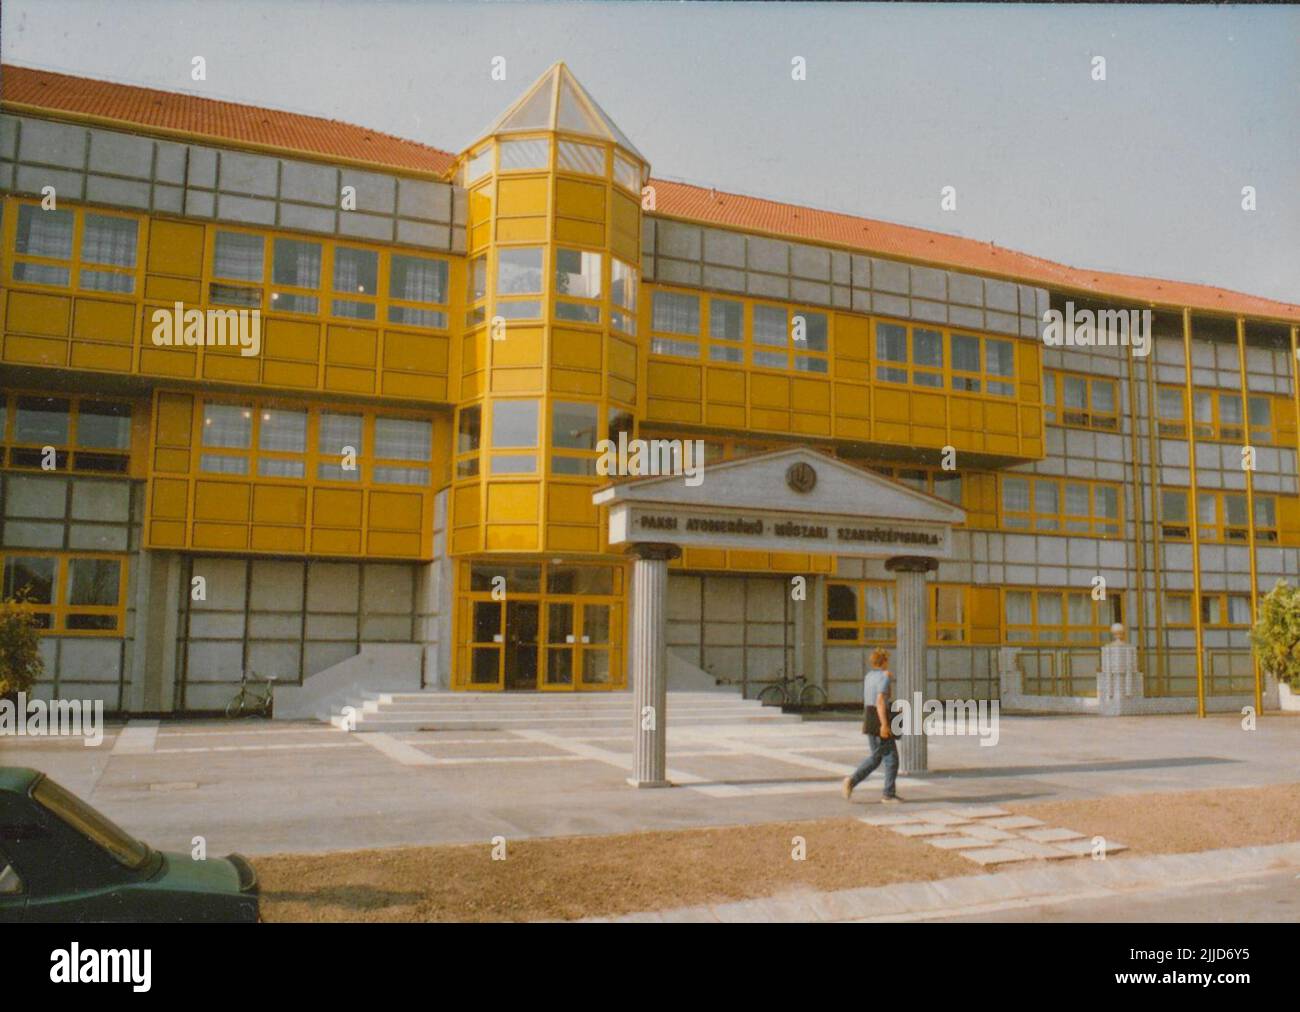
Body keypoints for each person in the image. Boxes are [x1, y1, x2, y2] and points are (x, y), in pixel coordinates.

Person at [842, 648, 901, 803]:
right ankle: (888, 794)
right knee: (891, 758)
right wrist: (884, 725)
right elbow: (880, 701)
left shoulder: (868, 676)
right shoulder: (884, 677)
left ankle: (852, 782)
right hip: (879, 717)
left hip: (870, 717)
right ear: (885, 661)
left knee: (877, 758)